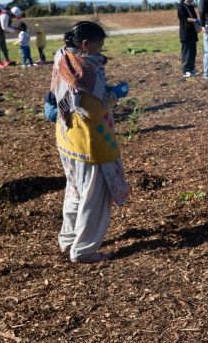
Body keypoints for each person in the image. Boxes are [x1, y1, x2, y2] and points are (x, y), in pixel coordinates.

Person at [51, 21, 130, 263]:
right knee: (94, 197)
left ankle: (68, 239)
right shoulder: (85, 69)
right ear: (86, 44)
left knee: (74, 190)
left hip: (67, 136)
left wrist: (104, 88)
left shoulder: (63, 56)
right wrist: (113, 95)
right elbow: (92, 109)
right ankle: (84, 250)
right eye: (99, 43)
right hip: (89, 141)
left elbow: (69, 96)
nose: (100, 48)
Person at [177, 0, 200, 77]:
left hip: (193, 33)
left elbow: (194, 16)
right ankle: (185, 70)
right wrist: (194, 20)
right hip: (185, 33)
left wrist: (198, 21)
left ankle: (192, 69)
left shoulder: (191, 6)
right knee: (186, 52)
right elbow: (184, 18)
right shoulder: (181, 6)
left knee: (193, 52)